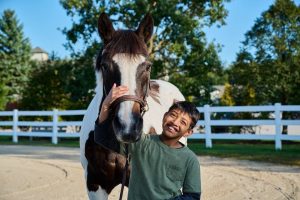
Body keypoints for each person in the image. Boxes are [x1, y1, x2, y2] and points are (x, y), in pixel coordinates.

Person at [96, 84, 201, 200]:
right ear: (164, 116)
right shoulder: (141, 143)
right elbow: (103, 137)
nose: (175, 122)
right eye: (173, 115)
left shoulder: (190, 159)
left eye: (183, 122)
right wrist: (106, 104)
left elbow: (192, 196)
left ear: (188, 133)